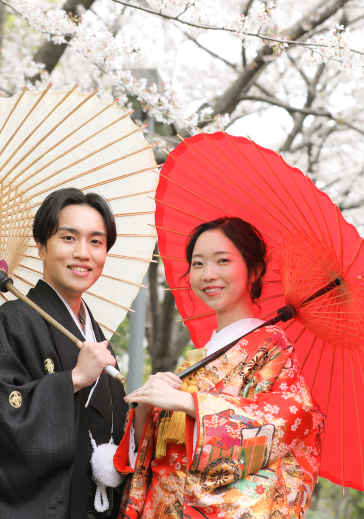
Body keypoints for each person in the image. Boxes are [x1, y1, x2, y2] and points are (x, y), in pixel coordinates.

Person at [115, 217, 324, 519]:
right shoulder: (201, 356)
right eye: (198, 264)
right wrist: (146, 414)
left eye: (222, 261)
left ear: (255, 270)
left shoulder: (272, 347)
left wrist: (187, 402)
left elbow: (289, 419)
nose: (208, 274)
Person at [0, 188, 128, 519]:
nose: (83, 253)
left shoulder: (93, 336)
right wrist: (75, 379)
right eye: (69, 238)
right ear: (42, 246)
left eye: (96, 242)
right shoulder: (13, 322)